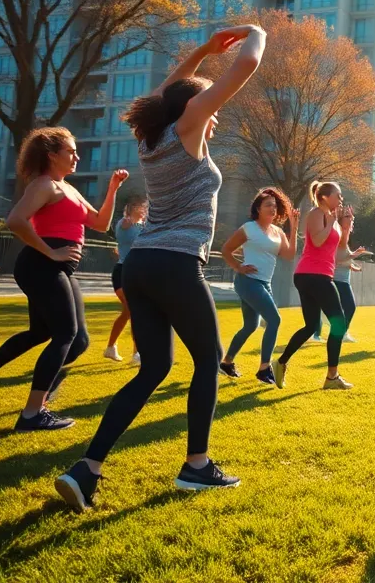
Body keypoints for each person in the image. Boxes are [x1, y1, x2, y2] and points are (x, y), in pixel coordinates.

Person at [54, 25, 267, 511]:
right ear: (194, 108)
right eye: (209, 109)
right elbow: (247, 65)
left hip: (141, 266)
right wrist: (256, 30)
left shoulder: (150, 137)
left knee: (154, 368)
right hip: (174, 264)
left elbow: (161, 93)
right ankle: (196, 466)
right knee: (209, 361)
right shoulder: (187, 128)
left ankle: (86, 470)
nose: (215, 117)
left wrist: (202, 51)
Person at [0, 128, 126, 432]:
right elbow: (15, 220)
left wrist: (113, 188)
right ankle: (32, 413)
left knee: (66, 338)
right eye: (71, 151)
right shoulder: (43, 185)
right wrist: (50, 251)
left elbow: (100, 223)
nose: (77, 156)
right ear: (52, 155)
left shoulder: (68, 188)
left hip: (56, 268)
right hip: (41, 265)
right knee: (65, 335)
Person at [275, 181, 354, 389]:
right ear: (325, 197)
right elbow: (318, 241)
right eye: (338, 194)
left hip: (317, 275)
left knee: (311, 326)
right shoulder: (316, 214)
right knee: (338, 323)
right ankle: (332, 377)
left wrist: (345, 229)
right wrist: (331, 222)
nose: (341, 199)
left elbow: (338, 251)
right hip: (313, 275)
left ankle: (281, 362)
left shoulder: (333, 221)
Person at [220, 187, 298, 386]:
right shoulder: (249, 228)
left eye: (274, 205)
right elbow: (226, 249)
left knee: (250, 326)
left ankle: (226, 362)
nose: (272, 208)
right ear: (258, 209)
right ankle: (264, 368)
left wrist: (294, 227)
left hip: (265, 283)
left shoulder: (278, 232)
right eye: (268, 205)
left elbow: (289, 255)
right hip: (248, 282)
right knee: (274, 319)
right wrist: (238, 267)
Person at [103, 195, 147, 365]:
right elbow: (124, 227)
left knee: (128, 312)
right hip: (123, 272)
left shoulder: (144, 226)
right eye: (142, 206)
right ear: (133, 207)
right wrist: (128, 217)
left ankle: (110, 348)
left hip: (137, 273)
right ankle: (137, 354)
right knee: (135, 311)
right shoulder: (125, 223)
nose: (145, 209)